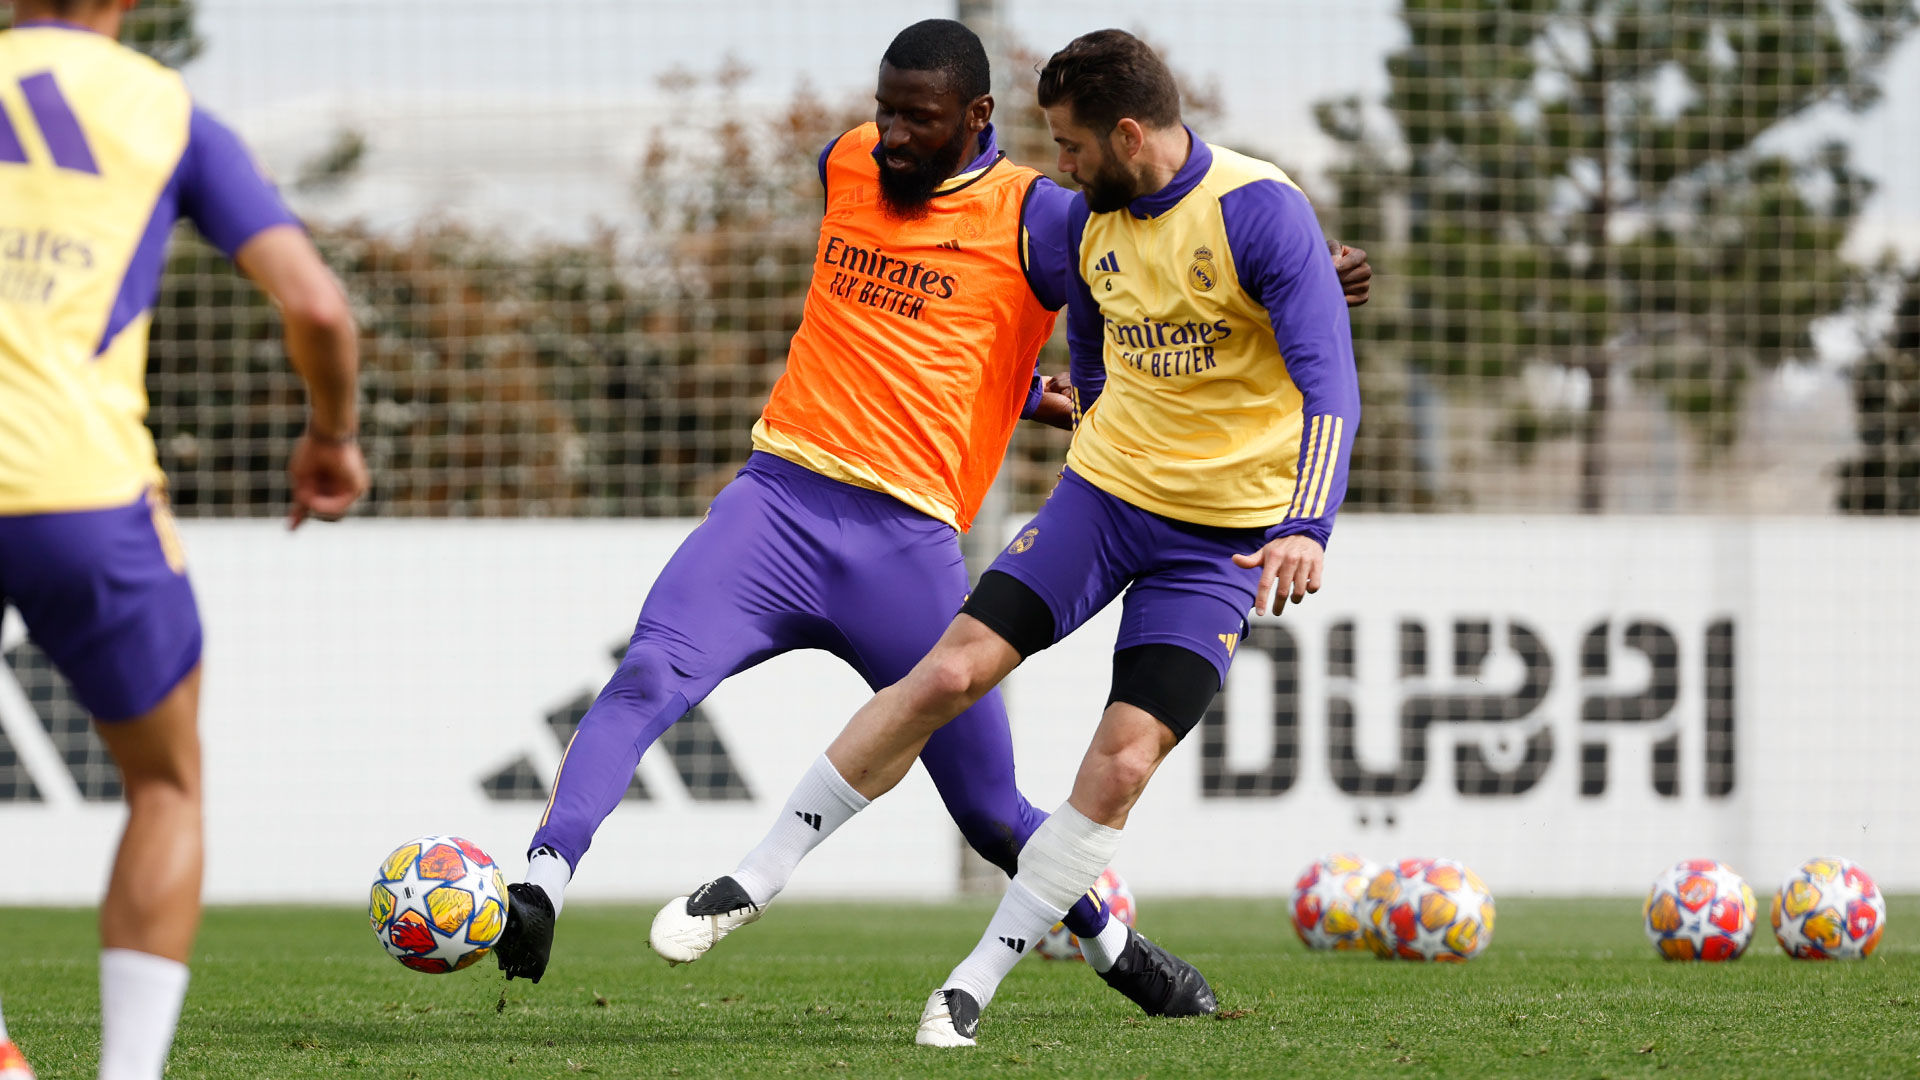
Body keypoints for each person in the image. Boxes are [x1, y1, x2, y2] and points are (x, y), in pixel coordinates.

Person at [493, 18, 1370, 1020]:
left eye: (921, 118)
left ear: (980, 118)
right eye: (885, 112)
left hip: (908, 544)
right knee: (649, 674)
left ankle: (1117, 948)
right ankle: (541, 886)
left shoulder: (1048, 214)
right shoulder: (847, 163)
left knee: (993, 813)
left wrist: (1307, 273)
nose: (893, 137)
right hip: (775, 503)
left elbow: (1156, 279)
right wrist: (1033, 391)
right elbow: (919, 329)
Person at [0, 3, 367, 1077]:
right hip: (84, 493)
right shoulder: (169, 113)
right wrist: (333, 438)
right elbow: (320, 308)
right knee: (165, 785)